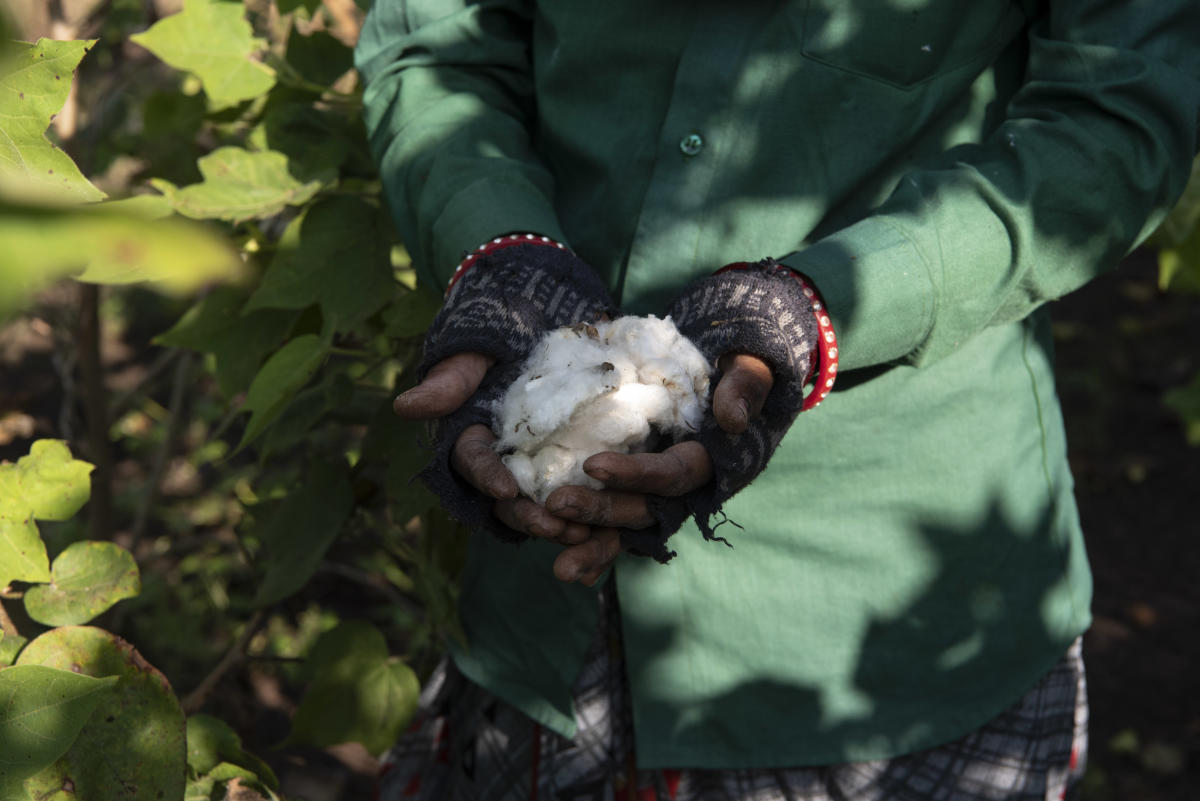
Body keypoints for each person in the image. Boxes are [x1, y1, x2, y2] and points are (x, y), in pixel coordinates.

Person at [355, 2, 1200, 798]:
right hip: (537, 628)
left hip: (884, 636)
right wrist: (498, 247)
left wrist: (826, 306)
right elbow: (438, 43)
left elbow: (1115, 113)